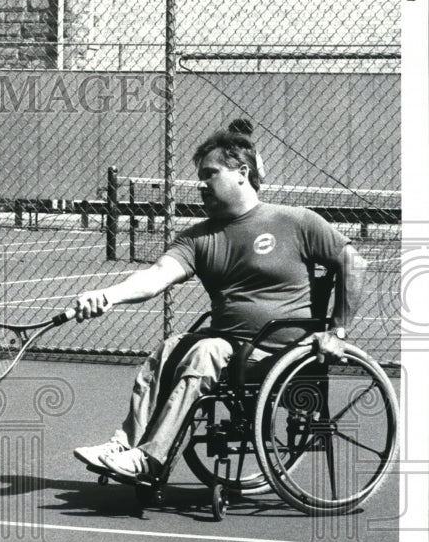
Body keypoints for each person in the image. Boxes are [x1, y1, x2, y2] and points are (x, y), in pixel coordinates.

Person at [71, 120, 367, 480]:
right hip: (230, 349)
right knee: (170, 348)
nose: (200, 183)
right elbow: (155, 277)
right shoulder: (197, 238)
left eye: (210, 173)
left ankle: (149, 460)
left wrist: (337, 331)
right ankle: (123, 444)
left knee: (204, 350)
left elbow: (352, 261)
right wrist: (106, 295)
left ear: (242, 173)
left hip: (282, 355)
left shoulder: (296, 222)